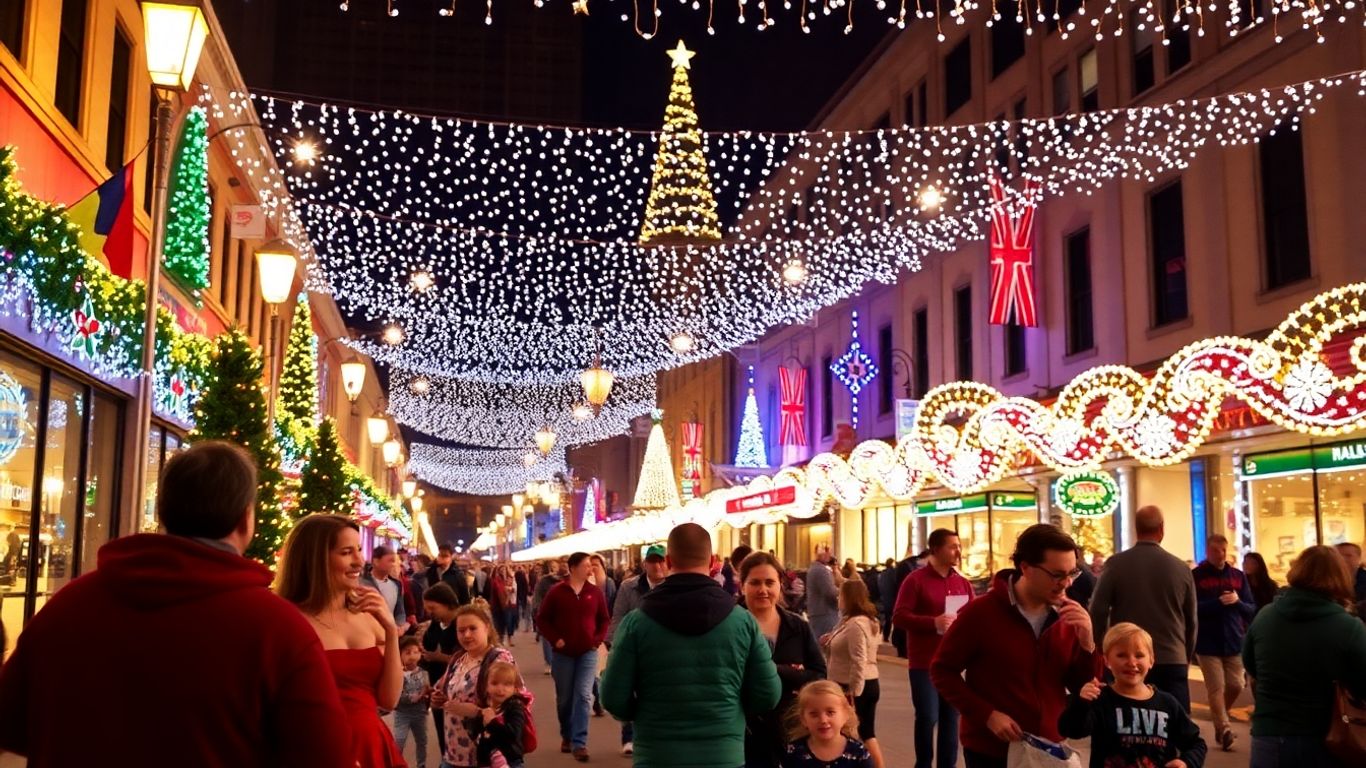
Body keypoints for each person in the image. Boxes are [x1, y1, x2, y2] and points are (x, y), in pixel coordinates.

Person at [0, 441, 353, 766]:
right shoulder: (277, 629)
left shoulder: (68, 607)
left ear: (164, 513)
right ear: (246, 518)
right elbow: (325, 755)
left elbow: (11, 724)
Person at [601, 522, 782, 768]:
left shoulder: (637, 623)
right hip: (723, 755)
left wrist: (642, 713)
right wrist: (731, 709)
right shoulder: (742, 622)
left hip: (657, 754)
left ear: (668, 561)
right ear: (712, 562)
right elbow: (768, 694)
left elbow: (612, 696)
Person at [930, 524, 1101, 768]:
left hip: (1049, 749)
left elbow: (1082, 686)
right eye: (1057, 575)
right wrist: (986, 715)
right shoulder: (980, 613)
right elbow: (942, 671)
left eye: (1072, 573)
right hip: (992, 750)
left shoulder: (1069, 617)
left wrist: (1088, 643)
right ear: (1026, 568)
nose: (1066, 584)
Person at [276, 514, 405, 767]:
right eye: (347, 552)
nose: (360, 561)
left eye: (358, 550)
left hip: (372, 745)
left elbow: (389, 700)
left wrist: (390, 630)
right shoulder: (286, 620)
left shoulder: (369, 615)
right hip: (316, 753)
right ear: (315, 560)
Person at [1244, 545, 1366, 767]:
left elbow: (1250, 664)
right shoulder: (1349, 627)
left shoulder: (1265, 617)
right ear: (1339, 576)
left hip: (1269, 735)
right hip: (1327, 737)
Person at [1089, 505, 1198, 711]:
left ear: (1135, 529)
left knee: (1126, 723)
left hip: (1126, 659)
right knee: (1175, 725)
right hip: (1171, 657)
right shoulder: (1181, 569)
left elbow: (1098, 610)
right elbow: (1191, 620)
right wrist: (1185, 655)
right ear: (1162, 528)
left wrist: (1103, 648)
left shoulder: (1116, 564)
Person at [1059, 623, 1207, 768]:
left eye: (1139, 655)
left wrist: (1186, 762)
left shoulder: (1168, 703)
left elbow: (1195, 743)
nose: (1131, 662)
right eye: (1121, 655)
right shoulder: (1101, 700)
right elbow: (1072, 730)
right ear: (1107, 661)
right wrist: (1081, 702)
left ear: (1151, 660)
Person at [892, 528, 975, 768]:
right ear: (935, 549)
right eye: (952, 546)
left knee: (952, 718)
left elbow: (971, 617)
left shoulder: (962, 583)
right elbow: (899, 616)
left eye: (959, 546)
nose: (958, 551)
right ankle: (923, 763)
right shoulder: (915, 580)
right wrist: (933, 623)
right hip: (924, 662)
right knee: (928, 716)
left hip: (953, 663)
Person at [741, 550, 827, 767]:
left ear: (780, 585)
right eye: (755, 583)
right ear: (743, 585)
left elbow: (818, 675)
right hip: (743, 732)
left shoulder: (798, 626)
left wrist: (776, 669)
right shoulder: (730, 627)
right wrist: (794, 671)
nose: (763, 590)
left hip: (790, 731)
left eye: (770, 582)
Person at [535, 551, 610, 762]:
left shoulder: (594, 593)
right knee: (565, 699)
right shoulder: (557, 592)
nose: (590, 569)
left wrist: (596, 640)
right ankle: (566, 734)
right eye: (586, 565)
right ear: (573, 568)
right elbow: (542, 618)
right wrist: (554, 638)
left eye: (592, 566)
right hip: (563, 654)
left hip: (587, 653)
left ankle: (580, 742)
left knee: (584, 695)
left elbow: (604, 619)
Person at [430, 603, 523, 768]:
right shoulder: (458, 658)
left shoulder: (499, 659)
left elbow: (514, 703)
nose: (466, 635)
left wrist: (474, 711)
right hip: (453, 753)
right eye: (461, 630)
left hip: (487, 756)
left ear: (486, 628)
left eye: (473, 628)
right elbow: (444, 690)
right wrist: (437, 699)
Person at [1192, 533, 1256, 751]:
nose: (1219, 555)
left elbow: (1250, 608)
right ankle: (1225, 728)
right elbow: (1192, 608)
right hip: (1207, 641)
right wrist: (1216, 603)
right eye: (1215, 551)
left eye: (1223, 550)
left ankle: (1220, 716)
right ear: (1207, 551)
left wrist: (1237, 602)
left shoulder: (1237, 576)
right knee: (1216, 687)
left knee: (1236, 684)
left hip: (1233, 640)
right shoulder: (1197, 576)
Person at [609, 543, 670, 756]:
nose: (657, 565)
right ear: (645, 564)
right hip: (634, 646)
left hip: (662, 650)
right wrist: (615, 644)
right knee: (631, 691)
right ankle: (628, 736)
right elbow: (619, 615)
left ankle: (653, 735)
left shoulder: (673, 587)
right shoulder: (629, 586)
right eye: (653, 561)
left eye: (661, 560)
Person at [825, 579, 884, 768]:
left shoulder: (856, 625)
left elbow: (859, 659)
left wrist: (854, 692)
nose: (837, 599)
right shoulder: (858, 621)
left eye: (840, 595)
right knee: (863, 733)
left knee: (863, 734)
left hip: (855, 685)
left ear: (848, 597)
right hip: (865, 681)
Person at [780, 680, 874, 768]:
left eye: (830, 712)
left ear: (845, 714)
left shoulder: (859, 754)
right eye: (814, 714)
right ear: (804, 719)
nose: (823, 720)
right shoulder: (793, 753)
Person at [422, 583, 463, 757]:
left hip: (460, 690)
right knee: (443, 731)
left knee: (459, 733)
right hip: (438, 687)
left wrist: (440, 658)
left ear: (447, 603)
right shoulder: (435, 625)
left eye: (433, 608)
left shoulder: (462, 625)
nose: (430, 612)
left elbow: (470, 657)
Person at [472, 661, 532, 768]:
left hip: (510, 761)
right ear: (486, 687)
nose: (500, 689)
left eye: (507, 684)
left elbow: (513, 734)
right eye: (495, 683)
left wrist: (491, 722)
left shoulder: (514, 707)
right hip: (487, 762)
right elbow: (478, 733)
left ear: (514, 689)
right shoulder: (485, 705)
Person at [392, 637, 432, 768]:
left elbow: (427, 690)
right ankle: (397, 764)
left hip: (419, 713)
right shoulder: (398, 674)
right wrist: (416, 696)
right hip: (402, 714)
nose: (412, 656)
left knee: (422, 741)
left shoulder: (424, 673)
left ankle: (421, 765)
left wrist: (428, 693)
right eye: (408, 652)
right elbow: (398, 695)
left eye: (416, 652)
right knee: (399, 741)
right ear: (400, 655)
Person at [532, 558, 566, 675]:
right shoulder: (544, 581)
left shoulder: (566, 580)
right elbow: (537, 597)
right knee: (547, 639)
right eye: (551, 567)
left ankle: (559, 661)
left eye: (555, 567)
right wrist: (538, 610)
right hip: (546, 614)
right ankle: (549, 662)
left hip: (561, 614)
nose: (553, 569)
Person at [362, 545, 409, 629]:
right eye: (390, 561)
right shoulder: (361, 583)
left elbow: (400, 612)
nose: (394, 564)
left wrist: (398, 627)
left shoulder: (396, 585)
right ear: (376, 561)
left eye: (394, 561)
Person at [807, 546, 840, 640]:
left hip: (817, 613)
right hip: (825, 614)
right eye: (828, 552)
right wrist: (844, 590)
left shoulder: (814, 569)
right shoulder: (821, 570)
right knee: (827, 645)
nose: (830, 555)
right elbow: (830, 592)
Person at [876, 559, 896, 642]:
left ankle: (885, 636)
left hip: (884, 598)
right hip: (892, 598)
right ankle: (894, 638)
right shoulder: (893, 573)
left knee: (887, 618)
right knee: (894, 619)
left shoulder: (881, 574)